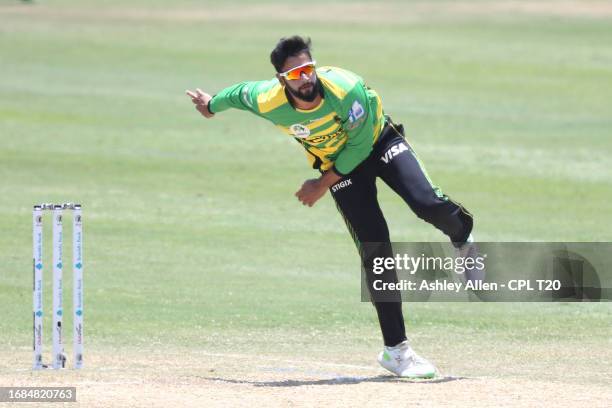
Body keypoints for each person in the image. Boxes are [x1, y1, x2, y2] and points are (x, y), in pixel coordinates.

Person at [187, 35, 478, 379]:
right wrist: (211, 104)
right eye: (295, 74)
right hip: (336, 165)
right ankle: (396, 352)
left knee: (428, 204)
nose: (305, 78)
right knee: (376, 250)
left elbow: (356, 148)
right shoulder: (268, 99)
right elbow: (239, 94)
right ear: (282, 80)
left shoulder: (345, 88)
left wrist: (320, 185)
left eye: (308, 69)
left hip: (376, 141)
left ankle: (463, 239)